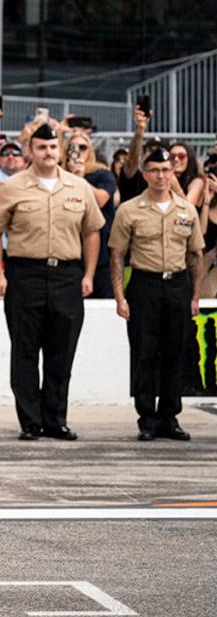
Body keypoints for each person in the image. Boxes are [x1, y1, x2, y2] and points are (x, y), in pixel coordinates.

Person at [0, 124, 105, 441]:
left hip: (67, 274)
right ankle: (30, 421)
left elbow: (92, 232)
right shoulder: (12, 187)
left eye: (53, 147)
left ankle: (55, 419)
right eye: (41, 148)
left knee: (61, 350)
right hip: (25, 274)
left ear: (60, 150)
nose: (48, 153)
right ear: (31, 151)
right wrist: (0, 274)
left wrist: (89, 274)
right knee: (24, 350)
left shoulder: (79, 187)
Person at [108, 147, 204, 441]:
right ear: (145, 174)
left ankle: (170, 416)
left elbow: (195, 255)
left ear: (172, 173)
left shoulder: (186, 209)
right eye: (154, 170)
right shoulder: (129, 209)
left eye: (166, 170)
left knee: (176, 352)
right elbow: (117, 255)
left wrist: (195, 296)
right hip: (144, 285)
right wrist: (119, 297)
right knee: (144, 352)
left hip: (177, 284)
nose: (161, 176)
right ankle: (147, 417)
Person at [63, 132, 118, 299]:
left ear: (90, 151)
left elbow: (101, 199)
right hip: (68, 253)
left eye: (82, 147)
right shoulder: (59, 176)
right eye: (73, 148)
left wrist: (80, 178)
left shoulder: (102, 173)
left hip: (100, 255)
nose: (78, 151)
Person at [169, 143, 205, 209]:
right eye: (172, 156)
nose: (176, 159)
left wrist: (175, 184)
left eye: (181, 156)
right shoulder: (163, 179)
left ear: (189, 159)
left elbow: (188, 209)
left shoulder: (197, 181)